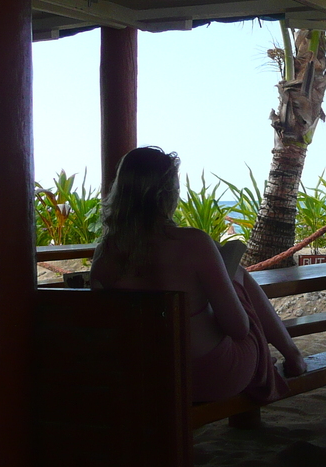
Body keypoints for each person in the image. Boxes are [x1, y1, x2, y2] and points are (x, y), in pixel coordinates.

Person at [91, 147, 304, 406]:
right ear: (167, 194)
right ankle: (292, 356)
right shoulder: (193, 243)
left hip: (146, 379)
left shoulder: (104, 256)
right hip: (209, 376)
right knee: (236, 273)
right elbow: (238, 328)